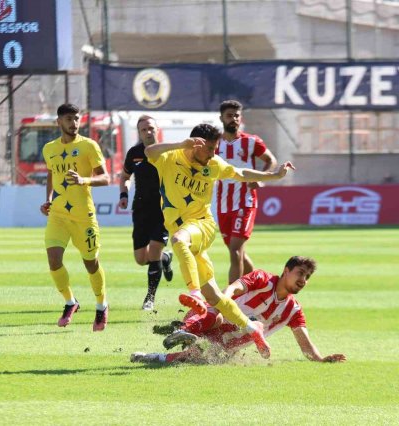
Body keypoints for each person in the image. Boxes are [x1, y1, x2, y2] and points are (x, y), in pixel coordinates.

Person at [144, 123, 295, 359]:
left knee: (178, 240)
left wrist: (274, 175)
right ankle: (251, 327)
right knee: (214, 295)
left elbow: (241, 173)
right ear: (197, 144)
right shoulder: (170, 157)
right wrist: (180, 144)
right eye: (211, 148)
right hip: (187, 232)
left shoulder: (213, 165)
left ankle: (193, 294)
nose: (214, 154)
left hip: (202, 226)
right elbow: (149, 152)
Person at [130, 256, 346, 365]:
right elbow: (234, 288)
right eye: (300, 273)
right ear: (286, 271)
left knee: (195, 358)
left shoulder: (293, 310)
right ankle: (186, 328)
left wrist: (321, 359)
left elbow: (304, 343)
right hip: (210, 319)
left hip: (223, 348)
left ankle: (149, 356)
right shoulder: (262, 279)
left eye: (307, 277)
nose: (303, 280)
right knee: (217, 312)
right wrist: (220, 301)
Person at [40, 103, 110, 331]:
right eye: (69, 119)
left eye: (77, 119)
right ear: (59, 122)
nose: (74, 123)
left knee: (91, 263)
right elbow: (51, 175)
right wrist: (49, 199)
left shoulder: (89, 146)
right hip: (58, 214)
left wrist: (83, 180)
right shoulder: (49, 148)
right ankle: (70, 302)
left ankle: (101, 305)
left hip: (84, 216)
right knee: (53, 261)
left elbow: (106, 178)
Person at [216, 100, 278, 284]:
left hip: (245, 202)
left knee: (235, 253)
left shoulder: (251, 141)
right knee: (237, 253)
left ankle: (231, 302)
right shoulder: (215, 143)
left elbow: (271, 160)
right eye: (229, 115)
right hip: (223, 205)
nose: (233, 119)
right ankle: (265, 285)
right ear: (221, 118)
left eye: (236, 115)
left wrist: (260, 179)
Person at [119, 115, 174, 311]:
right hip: (141, 209)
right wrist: (123, 193)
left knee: (154, 251)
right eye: (144, 130)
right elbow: (125, 175)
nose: (148, 132)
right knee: (141, 259)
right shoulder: (134, 153)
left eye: (151, 128)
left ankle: (150, 298)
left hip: (163, 210)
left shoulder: (168, 152)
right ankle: (166, 259)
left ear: (157, 129)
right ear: (139, 133)